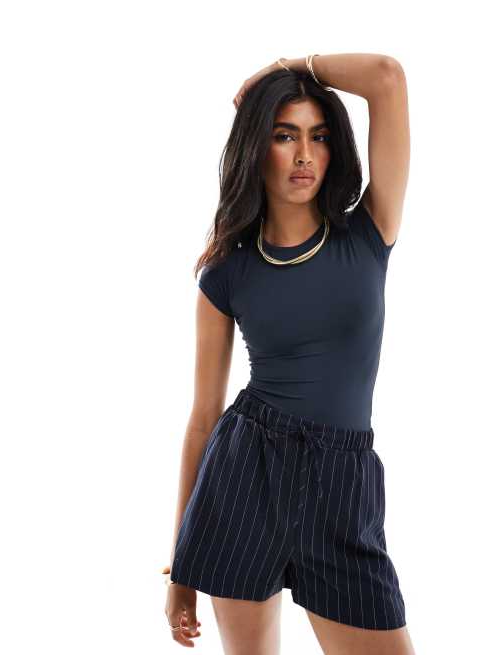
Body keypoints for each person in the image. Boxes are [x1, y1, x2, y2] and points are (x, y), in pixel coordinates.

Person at [164, 53, 415, 654]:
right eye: (284, 135)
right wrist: (180, 567)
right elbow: (203, 418)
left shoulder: (368, 232)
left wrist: (289, 66)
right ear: (257, 148)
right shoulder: (226, 273)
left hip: (342, 483)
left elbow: (386, 78)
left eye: (318, 136)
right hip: (245, 476)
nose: (304, 155)